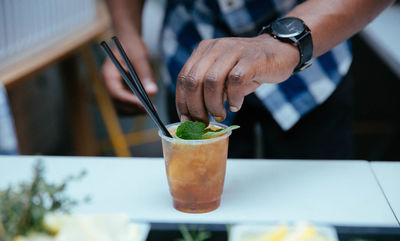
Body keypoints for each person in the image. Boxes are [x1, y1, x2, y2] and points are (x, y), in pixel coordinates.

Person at [102, 0, 394, 159]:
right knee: (199, 233)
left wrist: (282, 43)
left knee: (311, 226)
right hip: (190, 53)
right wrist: (127, 31)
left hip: (313, 56)